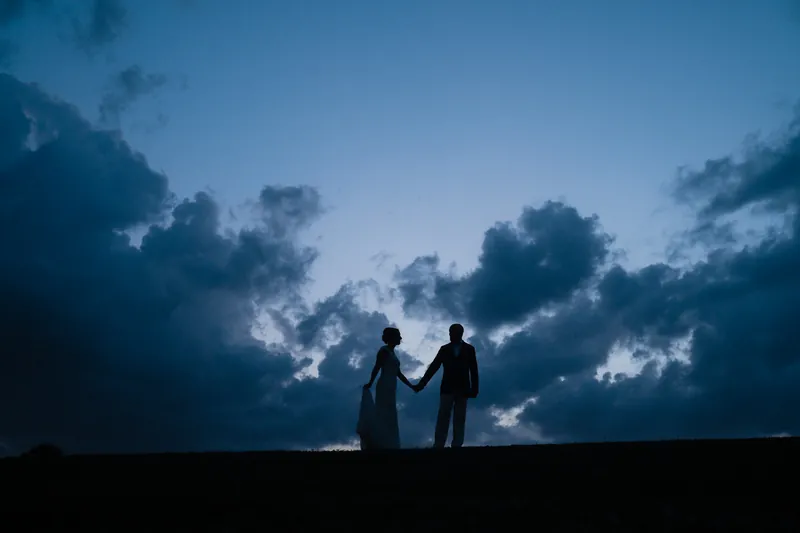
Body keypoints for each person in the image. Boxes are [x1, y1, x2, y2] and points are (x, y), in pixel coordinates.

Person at [414, 323, 479, 448]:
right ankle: (439, 443)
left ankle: (457, 444)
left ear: (460, 334)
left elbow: (474, 370)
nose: (450, 335)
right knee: (443, 416)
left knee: (460, 417)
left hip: (463, 388)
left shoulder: (469, 349)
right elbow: (434, 366)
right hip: (447, 387)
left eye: (453, 332)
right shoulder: (444, 349)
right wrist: (422, 383)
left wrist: (475, 389)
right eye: (450, 332)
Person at [362, 327, 416, 449]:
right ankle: (381, 442)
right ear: (392, 337)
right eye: (398, 336)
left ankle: (388, 442)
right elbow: (377, 367)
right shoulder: (384, 351)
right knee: (383, 412)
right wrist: (370, 382)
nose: (400, 338)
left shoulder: (392, 352)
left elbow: (398, 373)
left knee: (389, 413)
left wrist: (411, 386)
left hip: (391, 386)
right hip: (384, 385)